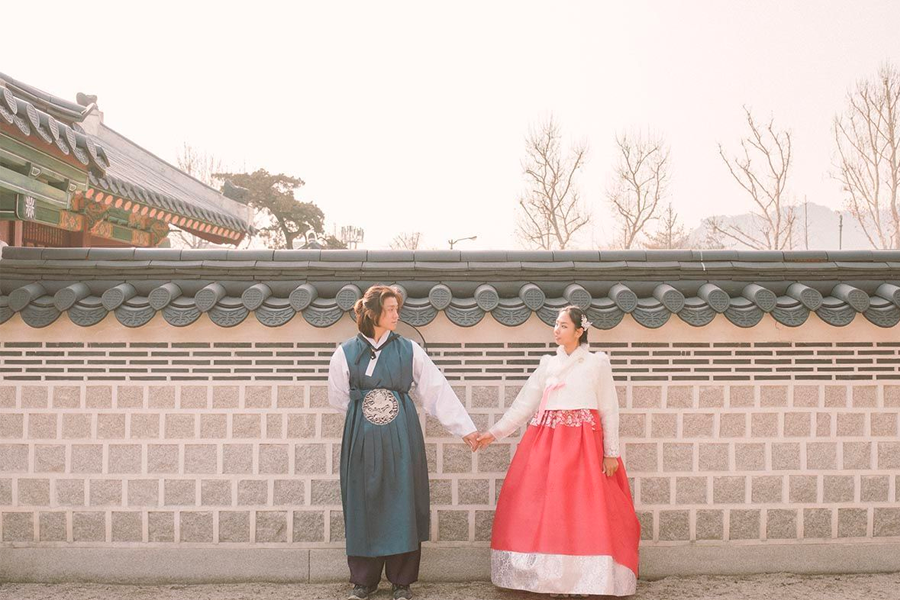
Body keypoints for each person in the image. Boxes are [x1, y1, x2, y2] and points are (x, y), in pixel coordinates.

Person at [327, 285, 479, 600]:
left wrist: (464, 428)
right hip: (361, 436)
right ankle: (363, 580)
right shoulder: (345, 352)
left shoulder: (409, 349)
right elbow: (339, 398)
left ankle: (401, 582)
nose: (397, 314)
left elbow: (436, 390)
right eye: (391, 309)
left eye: (397, 308)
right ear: (372, 313)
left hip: (402, 434)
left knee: (402, 501)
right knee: (362, 501)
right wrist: (369, 414)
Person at [476, 306, 640, 597]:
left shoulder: (596, 363)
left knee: (582, 510)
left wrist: (611, 452)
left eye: (564, 326)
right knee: (547, 509)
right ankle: (552, 579)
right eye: (556, 324)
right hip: (547, 445)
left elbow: (608, 409)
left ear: (579, 331)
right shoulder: (547, 364)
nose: (557, 329)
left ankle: (585, 580)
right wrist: (494, 432)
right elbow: (525, 404)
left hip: (583, 446)